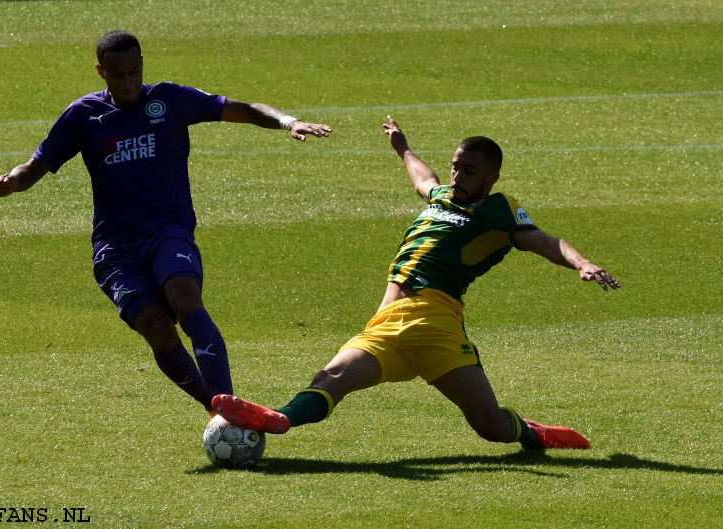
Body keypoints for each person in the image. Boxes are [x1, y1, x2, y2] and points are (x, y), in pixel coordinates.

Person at [212, 115, 621, 450]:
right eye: (457, 165)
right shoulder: (442, 196)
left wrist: (582, 263)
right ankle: (281, 418)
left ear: (492, 177)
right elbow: (423, 179)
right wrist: (403, 148)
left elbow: (546, 242)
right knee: (331, 379)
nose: (458, 175)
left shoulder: (499, 210)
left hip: (435, 326)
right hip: (386, 325)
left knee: (490, 426)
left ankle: (537, 434)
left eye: (469, 170)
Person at [0, 30, 331, 417]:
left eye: (134, 71)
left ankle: (229, 401)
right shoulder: (83, 116)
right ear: (101, 72)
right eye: (117, 74)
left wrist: (288, 121)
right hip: (115, 249)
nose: (128, 82)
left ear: (142, 66)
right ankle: (217, 409)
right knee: (158, 329)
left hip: (168, 231)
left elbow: (243, 108)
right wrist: (13, 182)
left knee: (185, 299)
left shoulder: (168, 99)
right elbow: (36, 165)